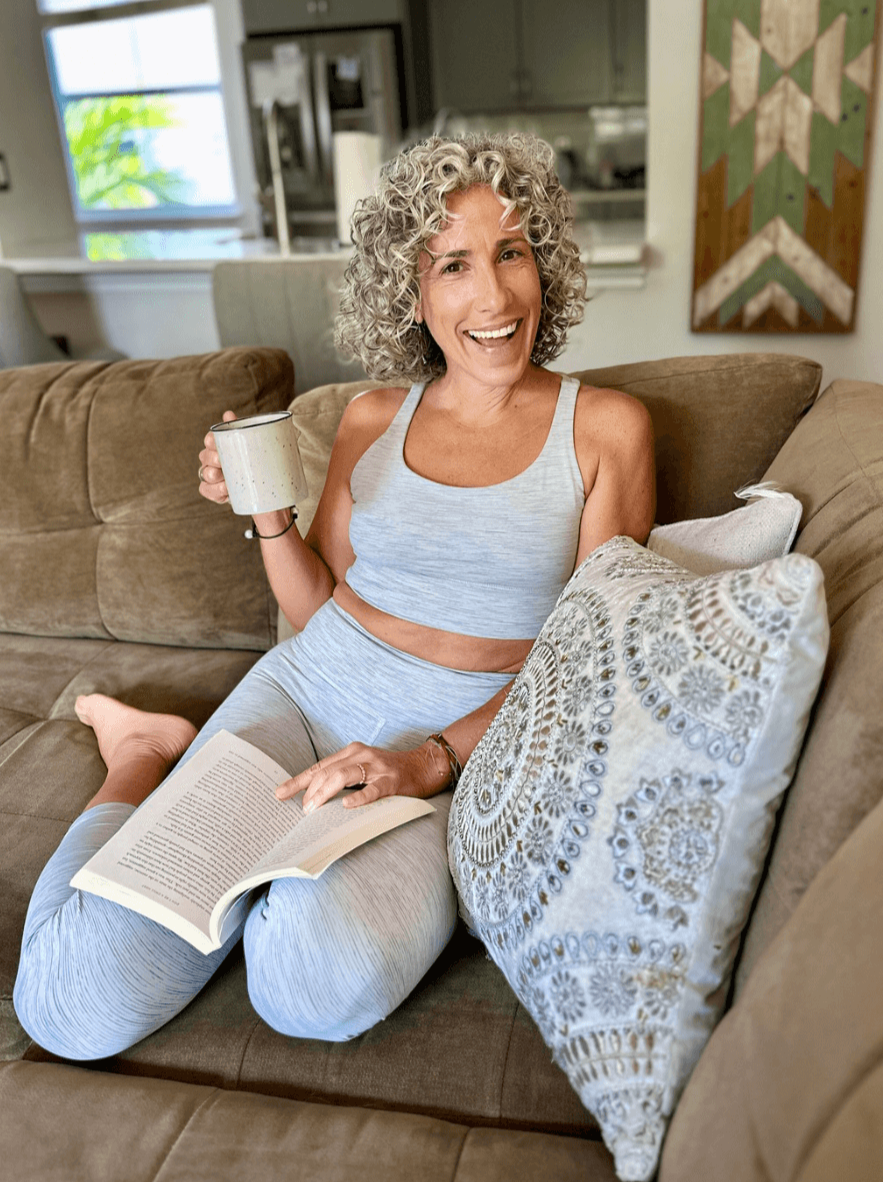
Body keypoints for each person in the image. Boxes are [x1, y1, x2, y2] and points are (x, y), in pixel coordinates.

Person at [14, 133, 655, 1059]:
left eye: (511, 252)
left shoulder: (604, 430)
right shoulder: (369, 418)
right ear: (414, 291)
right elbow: (320, 608)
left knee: (313, 985)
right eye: (453, 265)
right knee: (69, 1007)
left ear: (544, 261)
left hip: (456, 745)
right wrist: (269, 516)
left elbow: (587, 662)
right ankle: (141, 752)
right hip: (305, 694)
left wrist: (426, 762)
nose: (493, 296)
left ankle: (250, 849)